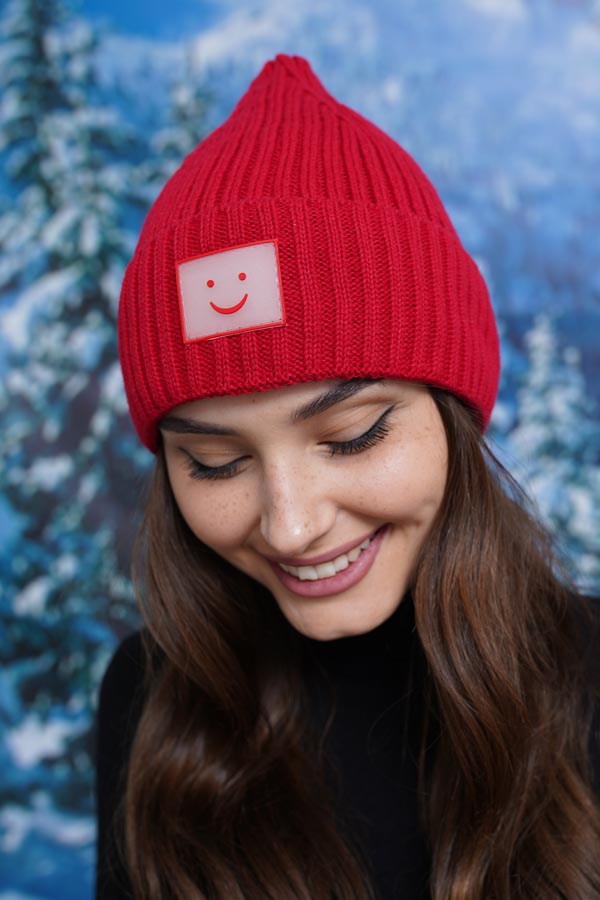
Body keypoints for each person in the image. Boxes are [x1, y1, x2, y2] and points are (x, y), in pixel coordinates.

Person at [94, 53, 600, 900]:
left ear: (453, 414)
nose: (291, 526)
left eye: (353, 436)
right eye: (215, 462)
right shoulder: (148, 702)